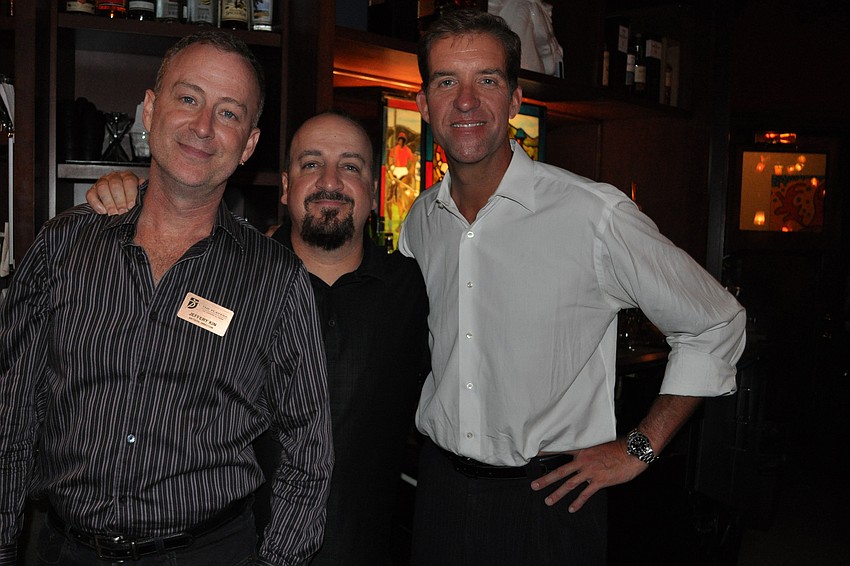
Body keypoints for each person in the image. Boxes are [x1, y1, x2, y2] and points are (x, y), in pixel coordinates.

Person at [397, 9, 747, 565]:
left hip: (551, 499)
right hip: (440, 490)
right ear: (424, 104)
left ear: (514, 100)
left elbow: (716, 321)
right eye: (446, 82)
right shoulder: (421, 221)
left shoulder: (593, 214)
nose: (466, 101)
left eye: (486, 80)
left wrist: (639, 448)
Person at [0, 31, 333, 566]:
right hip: (65, 551)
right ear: (150, 109)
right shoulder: (64, 245)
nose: (203, 127)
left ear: (248, 144)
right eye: (188, 98)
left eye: (228, 114)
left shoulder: (276, 279)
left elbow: (308, 452)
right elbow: (12, 415)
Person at [84, 110, 431, 565]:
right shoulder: (228, 277)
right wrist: (131, 194)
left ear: (373, 190)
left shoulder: (413, 290)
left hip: (368, 550)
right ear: (286, 187)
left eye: (350, 166)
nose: (330, 180)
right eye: (311, 164)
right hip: (233, 550)